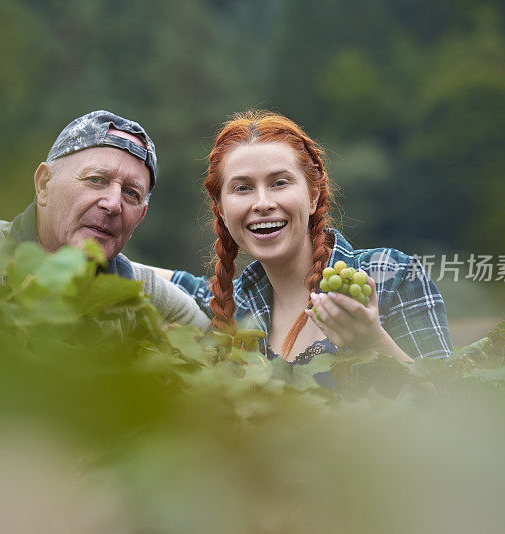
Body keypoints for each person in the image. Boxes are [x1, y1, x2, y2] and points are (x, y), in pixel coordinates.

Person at [154, 110, 452, 363]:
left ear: (312, 196)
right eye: (242, 188)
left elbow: (453, 410)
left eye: (279, 183)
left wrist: (373, 342)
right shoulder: (233, 305)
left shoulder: (390, 275)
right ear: (220, 209)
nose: (262, 203)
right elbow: (147, 279)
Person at [0, 110, 209, 331]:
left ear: (140, 217)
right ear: (43, 184)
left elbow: (218, 346)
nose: (113, 203)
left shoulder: (137, 291)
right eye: (95, 179)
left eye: (131, 193)